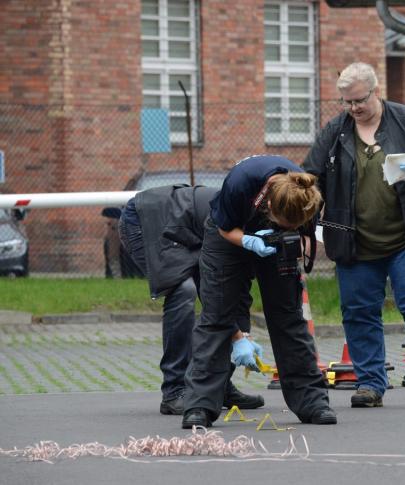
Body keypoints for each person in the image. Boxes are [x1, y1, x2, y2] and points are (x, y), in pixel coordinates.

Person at [305, 62, 405, 409]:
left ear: (375, 91)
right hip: (355, 242)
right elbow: (311, 179)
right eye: (347, 102)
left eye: (359, 100)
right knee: (358, 312)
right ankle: (371, 383)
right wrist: (304, 225)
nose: (354, 108)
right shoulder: (335, 132)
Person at [181, 155, 336, 428]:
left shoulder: (307, 196)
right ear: (269, 207)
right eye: (280, 222)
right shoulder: (241, 182)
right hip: (228, 236)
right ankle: (200, 405)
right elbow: (225, 229)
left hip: (275, 243)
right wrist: (250, 241)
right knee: (217, 316)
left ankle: (312, 401)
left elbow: (306, 245)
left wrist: (292, 241)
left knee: (288, 317)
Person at [118, 184, 264, 415]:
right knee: (183, 291)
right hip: (147, 220)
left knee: (233, 292)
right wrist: (237, 337)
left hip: (187, 231)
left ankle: (219, 386)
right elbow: (211, 292)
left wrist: (243, 338)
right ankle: (174, 391)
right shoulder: (230, 227)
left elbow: (238, 295)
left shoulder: (254, 234)